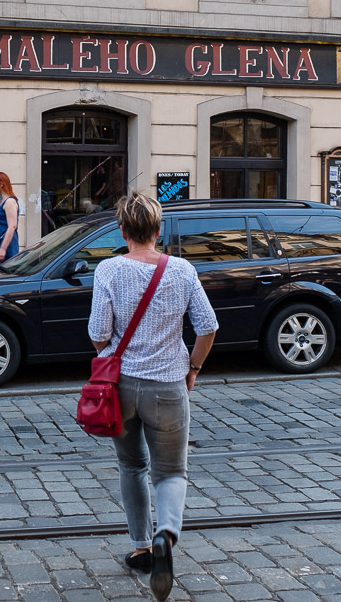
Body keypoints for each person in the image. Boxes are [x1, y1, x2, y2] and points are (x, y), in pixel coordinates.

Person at [88, 190, 217, 601]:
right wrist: (193, 368)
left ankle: (142, 547)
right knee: (171, 472)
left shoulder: (108, 270)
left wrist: (113, 353)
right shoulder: (182, 269)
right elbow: (208, 326)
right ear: (158, 231)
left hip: (121, 388)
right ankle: (167, 533)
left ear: (122, 230)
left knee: (131, 466)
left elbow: (98, 332)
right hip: (168, 386)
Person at [0, 172, 20, 265]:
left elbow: (12, 226)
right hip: (0, 242)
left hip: (7, 243)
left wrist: (3, 249)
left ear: (1, 184)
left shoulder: (10, 202)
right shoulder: (3, 201)